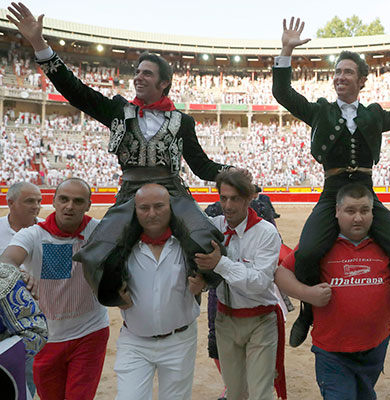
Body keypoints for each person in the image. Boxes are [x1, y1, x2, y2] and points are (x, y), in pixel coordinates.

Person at [8, 2, 236, 307]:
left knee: (206, 238)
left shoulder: (183, 121)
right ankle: (119, 298)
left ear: (163, 83)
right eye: (137, 72)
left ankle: (200, 282)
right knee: (97, 253)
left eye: (146, 73)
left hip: (172, 190)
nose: (138, 77)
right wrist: (39, 44)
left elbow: (201, 165)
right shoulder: (119, 110)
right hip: (131, 192)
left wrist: (231, 171)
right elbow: (76, 92)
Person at [272, 17, 390, 346]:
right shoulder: (320, 111)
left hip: (366, 194)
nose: (340, 77)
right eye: (337, 72)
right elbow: (282, 92)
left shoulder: (374, 114)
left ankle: (389, 304)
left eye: (347, 72)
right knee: (308, 252)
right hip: (333, 194)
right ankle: (308, 310)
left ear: (361, 81)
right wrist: (286, 50)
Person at [276, 183, 390, 399]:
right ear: (337, 211)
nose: (358, 218)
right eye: (350, 211)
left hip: (375, 346)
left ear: (373, 213)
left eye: (364, 211)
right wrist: (308, 295)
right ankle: (305, 317)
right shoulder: (320, 245)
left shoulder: (386, 243)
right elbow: (281, 274)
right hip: (332, 352)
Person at [0, 178, 109, 400]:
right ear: (54, 201)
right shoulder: (32, 234)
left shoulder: (100, 232)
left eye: (78, 201)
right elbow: (8, 259)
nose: (70, 206)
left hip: (90, 332)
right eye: (64, 199)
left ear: (88, 205)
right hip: (46, 338)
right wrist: (16, 273)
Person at [192, 170, 284, 400]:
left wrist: (220, 263)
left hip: (261, 321)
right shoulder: (213, 226)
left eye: (235, 199)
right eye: (223, 198)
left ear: (248, 198)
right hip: (225, 320)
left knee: (260, 394)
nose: (228, 205)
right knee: (234, 394)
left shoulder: (266, 233)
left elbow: (259, 282)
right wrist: (202, 281)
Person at [111, 184, 201, 400]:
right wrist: (113, 296)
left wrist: (204, 283)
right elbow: (97, 275)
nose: (152, 213)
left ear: (170, 207)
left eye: (159, 206)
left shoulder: (189, 243)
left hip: (179, 341)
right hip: (135, 341)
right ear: (135, 210)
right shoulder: (120, 246)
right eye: (144, 208)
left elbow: (211, 269)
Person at [0, 181, 43, 398]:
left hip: (42, 320)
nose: (36, 206)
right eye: (29, 201)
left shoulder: (47, 230)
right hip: (6, 322)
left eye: (39, 201)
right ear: (10, 203)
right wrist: (13, 275)